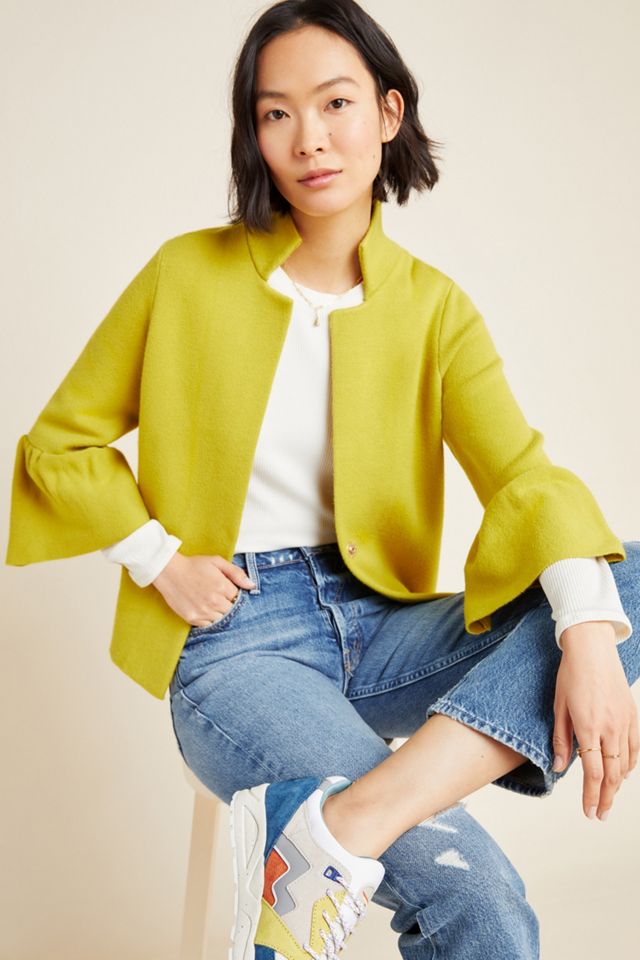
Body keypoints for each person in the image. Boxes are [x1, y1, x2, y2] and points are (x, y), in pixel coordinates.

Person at [5, 1, 639, 958]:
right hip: (238, 647)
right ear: (254, 134)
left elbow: (524, 476)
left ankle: (347, 824)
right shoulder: (186, 275)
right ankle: (349, 829)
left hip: (382, 626)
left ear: (388, 113)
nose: (308, 138)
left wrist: (587, 635)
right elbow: (58, 447)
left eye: (336, 103)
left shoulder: (432, 309)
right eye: (276, 113)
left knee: (623, 578)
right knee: (482, 900)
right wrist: (159, 558)